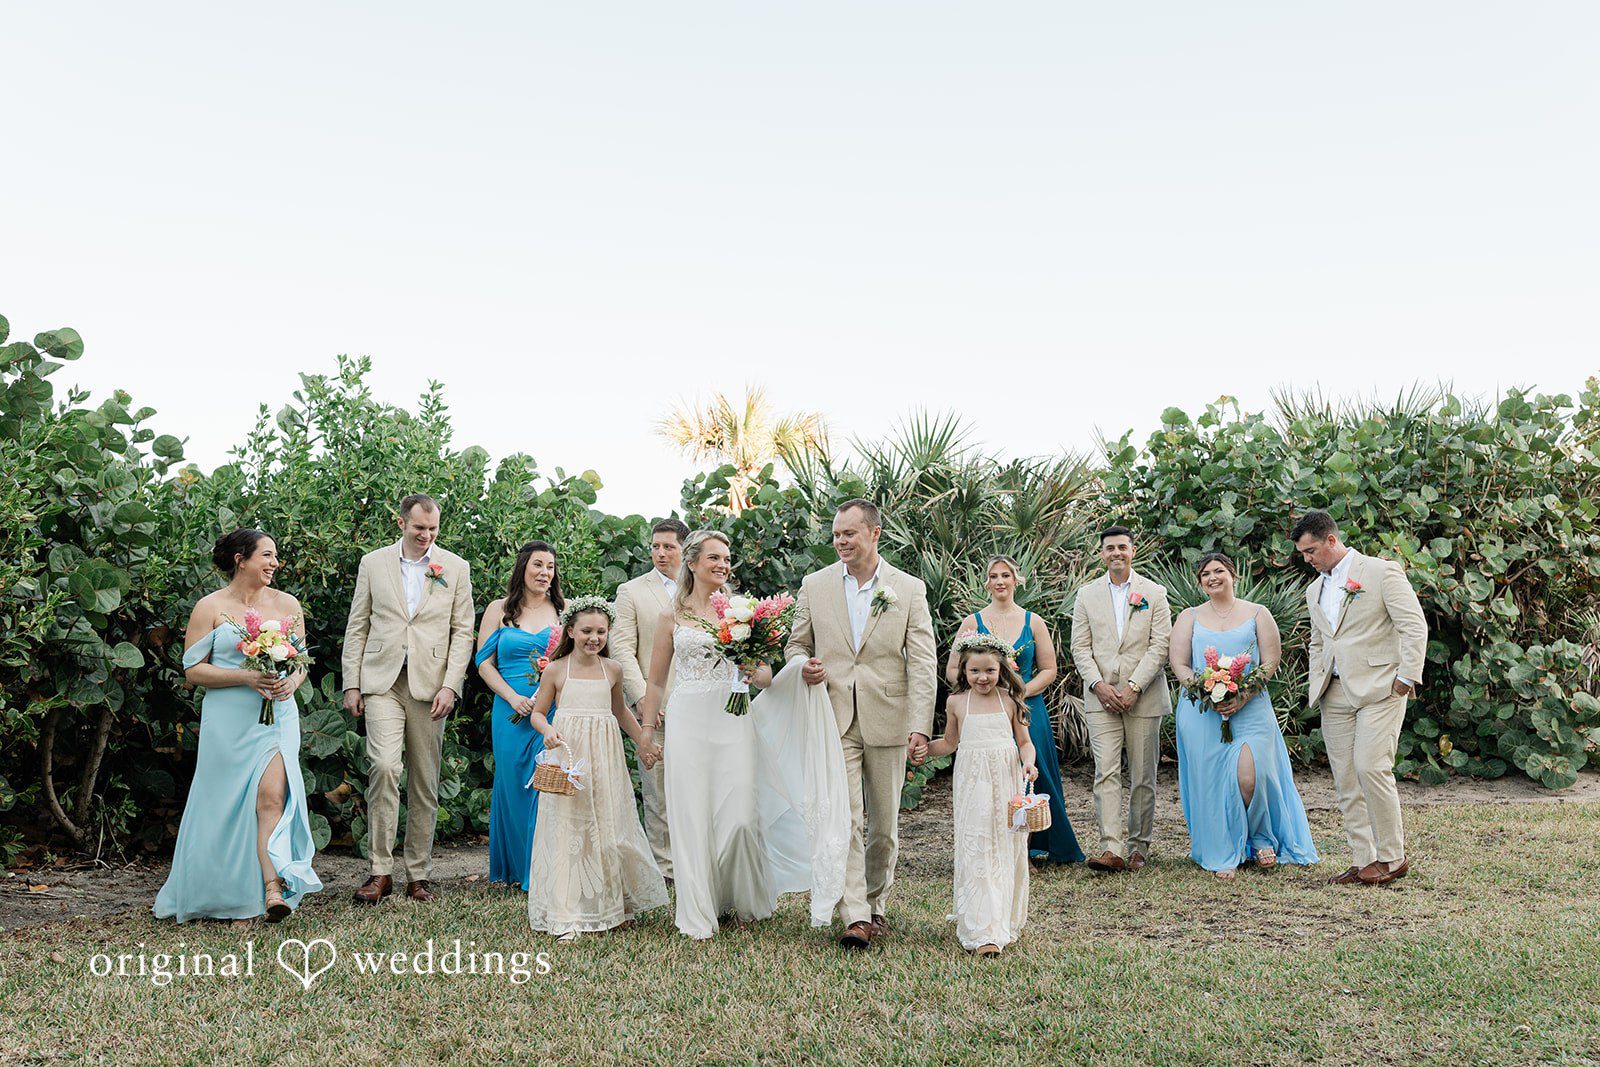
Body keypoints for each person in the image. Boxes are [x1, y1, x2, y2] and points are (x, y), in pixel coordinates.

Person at [638, 530, 850, 940]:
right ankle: (700, 911)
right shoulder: (671, 615)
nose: (723, 565)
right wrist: (648, 730)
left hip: (733, 719)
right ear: (694, 563)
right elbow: (657, 681)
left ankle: (744, 898)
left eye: (727, 558)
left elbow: (767, 677)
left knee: (737, 817)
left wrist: (752, 665)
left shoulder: (743, 612)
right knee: (691, 815)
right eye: (714, 557)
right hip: (687, 720)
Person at [786, 499, 938, 949]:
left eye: (849, 534)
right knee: (847, 818)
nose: (840, 541)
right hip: (834, 716)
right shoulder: (814, 585)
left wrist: (920, 725)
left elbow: (924, 663)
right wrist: (803, 667)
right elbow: (796, 645)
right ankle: (854, 914)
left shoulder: (908, 589)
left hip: (889, 715)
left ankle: (876, 904)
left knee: (884, 824)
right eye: (836, 535)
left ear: (874, 533)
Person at [154, 529, 322, 922]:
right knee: (221, 804)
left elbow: (300, 660)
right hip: (227, 719)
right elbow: (193, 670)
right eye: (266, 555)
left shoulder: (287, 604)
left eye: (275, 556)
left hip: (276, 717)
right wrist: (246, 677)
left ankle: (272, 891)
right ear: (240, 559)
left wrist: (289, 683)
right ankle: (215, 889)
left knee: (271, 798)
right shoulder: (209, 607)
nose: (274, 563)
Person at [342, 493, 475, 905]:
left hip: (431, 685)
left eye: (433, 529)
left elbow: (462, 631)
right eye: (419, 528)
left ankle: (419, 873)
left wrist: (451, 685)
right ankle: (379, 871)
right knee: (383, 766)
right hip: (381, 681)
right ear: (401, 523)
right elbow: (358, 625)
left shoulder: (455, 567)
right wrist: (352, 682)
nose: (427, 536)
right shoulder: (373, 562)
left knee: (425, 781)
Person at [1292, 510, 1427, 886]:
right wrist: (1316, 680)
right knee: (1346, 778)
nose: (1308, 559)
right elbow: (1321, 638)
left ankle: (1392, 856)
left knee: (1371, 766)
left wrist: (1406, 677)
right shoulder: (1313, 589)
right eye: (1304, 554)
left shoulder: (1380, 572)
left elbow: (1414, 625)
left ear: (1332, 540)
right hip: (1333, 693)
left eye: (1312, 551)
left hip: (1381, 686)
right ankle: (1363, 858)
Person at [522, 598, 668, 941]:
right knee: (570, 828)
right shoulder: (557, 670)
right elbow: (537, 713)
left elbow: (620, 712)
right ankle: (567, 910)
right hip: (570, 755)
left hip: (605, 756)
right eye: (586, 631)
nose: (594, 637)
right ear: (570, 631)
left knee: (608, 823)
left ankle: (612, 906)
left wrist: (643, 742)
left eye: (601, 632)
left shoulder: (612, 669)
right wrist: (548, 731)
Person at [1170, 552, 1318, 878]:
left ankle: (1261, 837)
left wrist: (1244, 694)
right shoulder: (1189, 617)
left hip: (1251, 708)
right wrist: (1204, 691)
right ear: (1200, 581)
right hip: (1202, 712)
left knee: (1251, 777)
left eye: (1219, 570)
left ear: (1233, 574)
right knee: (1211, 782)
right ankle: (1223, 847)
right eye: (1206, 573)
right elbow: (1179, 663)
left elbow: (1270, 661)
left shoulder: (1257, 613)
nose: (1212, 577)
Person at [947, 555, 1084, 867]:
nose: (999, 581)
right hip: (985, 711)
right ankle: (998, 841)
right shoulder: (973, 623)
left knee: (1037, 773)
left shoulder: (1032, 621)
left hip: (1027, 706)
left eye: (1005, 575)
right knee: (993, 779)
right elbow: (954, 667)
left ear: (1016, 580)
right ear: (987, 583)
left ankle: (1045, 843)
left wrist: (1019, 692)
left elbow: (1049, 669)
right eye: (993, 576)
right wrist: (980, 690)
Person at [1069, 525, 1173, 873]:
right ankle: (1111, 847)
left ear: (1132, 551)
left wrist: (1134, 687)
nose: (1117, 553)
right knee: (1106, 772)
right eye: (1110, 547)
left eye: (1122, 547)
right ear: (1102, 553)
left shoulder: (1154, 593)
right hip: (1101, 697)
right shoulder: (1086, 595)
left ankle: (1138, 847)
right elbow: (1080, 647)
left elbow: (1160, 646)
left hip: (1143, 696)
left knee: (1143, 775)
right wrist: (1098, 684)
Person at [926, 634, 1036, 957]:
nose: (982, 678)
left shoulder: (1010, 700)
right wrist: (922, 751)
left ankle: (999, 920)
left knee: (1002, 846)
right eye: (975, 671)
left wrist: (1028, 764)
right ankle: (981, 928)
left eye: (989, 670)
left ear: (1001, 669)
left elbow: (1025, 743)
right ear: (964, 671)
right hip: (972, 782)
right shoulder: (957, 702)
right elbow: (949, 743)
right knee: (977, 846)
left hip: (1005, 780)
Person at [474, 540, 564, 889]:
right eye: (538, 565)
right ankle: (517, 868)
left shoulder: (564, 609)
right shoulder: (499, 609)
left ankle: (543, 871)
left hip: (550, 710)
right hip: (508, 710)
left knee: (547, 784)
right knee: (513, 784)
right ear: (523, 568)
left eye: (551, 567)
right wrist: (513, 698)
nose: (544, 573)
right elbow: (483, 663)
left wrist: (545, 696)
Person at [611, 518, 689, 879]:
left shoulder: (703, 588)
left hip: (700, 703)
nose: (660, 553)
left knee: (697, 788)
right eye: (655, 546)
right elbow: (622, 647)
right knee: (656, 791)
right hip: (653, 708)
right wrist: (642, 698)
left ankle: (695, 862)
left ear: (685, 549)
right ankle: (666, 868)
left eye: (668, 546)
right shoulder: (632, 591)